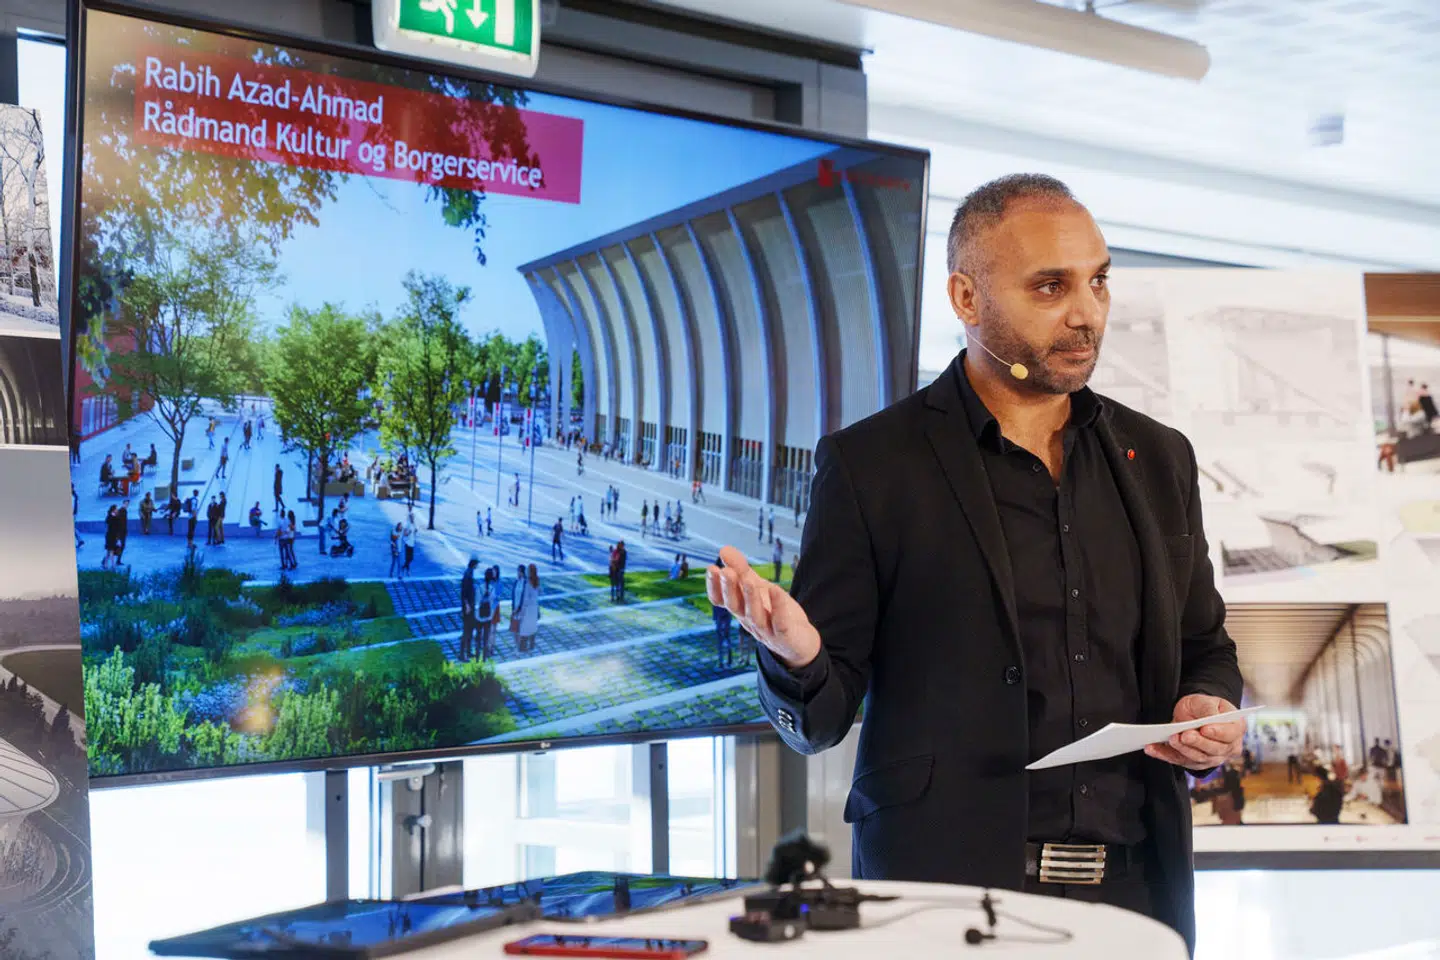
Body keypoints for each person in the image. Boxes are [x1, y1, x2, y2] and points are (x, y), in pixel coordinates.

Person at [705, 174, 1244, 952]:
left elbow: (1205, 646)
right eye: (1051, 287)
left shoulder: (1157, 456)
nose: (1086, 311)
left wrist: (1207, 704)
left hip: (1139, 894)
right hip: (946, 900)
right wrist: (797, 657)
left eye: (1098, 281)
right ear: (965, 298)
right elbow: (819, 719)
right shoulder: (871, 466)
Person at [512, 563, 541, 654]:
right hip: (533, 608)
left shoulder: (527, 582)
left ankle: (522, 648)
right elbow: (538, 593)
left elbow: (525, 599)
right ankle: (529, 647)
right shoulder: (536, 581)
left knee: (523, 629)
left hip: (526, 609)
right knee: (530, 629)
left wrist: (521, 611)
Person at [459, 558, 479, 661]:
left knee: (470, 630)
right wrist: (466, 605)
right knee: (467, 631)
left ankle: (468, 652)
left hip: (470, 606)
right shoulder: (468, 575)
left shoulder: (469, 573)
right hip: (468, 608)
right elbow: (464, 592)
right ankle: (462, 654)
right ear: (474, 565)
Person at [477, 568, 499, 661]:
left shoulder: (480, 587)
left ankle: (478, 655)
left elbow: (477, 601)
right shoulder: (492, 589)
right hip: (489, 614)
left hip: (479, 615)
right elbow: (493, 601)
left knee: (479, 635)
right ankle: (486, 656)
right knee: (487, 635)